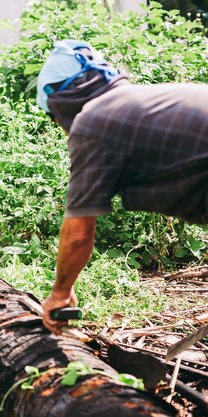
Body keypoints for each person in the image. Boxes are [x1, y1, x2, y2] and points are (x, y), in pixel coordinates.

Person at [36, 40, 208, 334]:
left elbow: (78, 233)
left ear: (62, 102)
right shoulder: (143, 99)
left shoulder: (94, 121)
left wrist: (60, 293)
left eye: (54, 118)